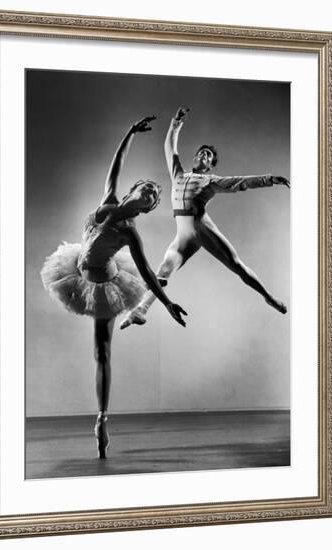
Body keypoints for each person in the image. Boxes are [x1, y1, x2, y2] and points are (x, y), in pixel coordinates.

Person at [41, 116, 187, 459]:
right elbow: (115, 166)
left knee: (102, 353)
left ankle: (102, 417)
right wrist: (130, 133)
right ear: (133, 190)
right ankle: (101, 416)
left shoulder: (128, 233)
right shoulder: (106, 200)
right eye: (148, 188)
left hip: (105, 285)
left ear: (147, 209)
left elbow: (149, 272)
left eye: (153, 198)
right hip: (77, 272)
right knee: (99, 352)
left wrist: (166, 304)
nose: (151, 194)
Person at [120, 107, 290, 330]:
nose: (204, 155)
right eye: (202, 152)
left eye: (208, 155)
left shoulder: (210, 181)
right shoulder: (179, 174)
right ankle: (140, 311)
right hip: (182, 234)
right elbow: (169, 148)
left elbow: (241, 182)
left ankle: (267, 296)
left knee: (236, 265)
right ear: (195, 157)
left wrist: (270, 179)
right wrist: (176, 123)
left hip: (201, 227)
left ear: (210, 166)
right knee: (163, 270)